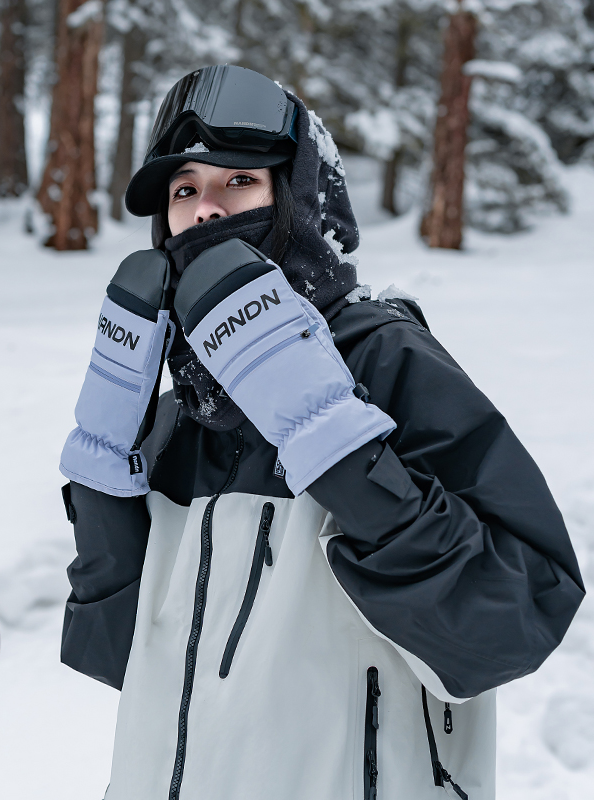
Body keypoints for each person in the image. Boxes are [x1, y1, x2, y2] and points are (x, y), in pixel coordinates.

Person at [58, 66, 584, 800]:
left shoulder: (385, 357)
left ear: (300, 204)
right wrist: (103, 470)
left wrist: (335, 444)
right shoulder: (180, 410)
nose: (206, 210)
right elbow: (121, 657)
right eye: (185, 191)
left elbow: (514, 623)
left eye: (238, 182)